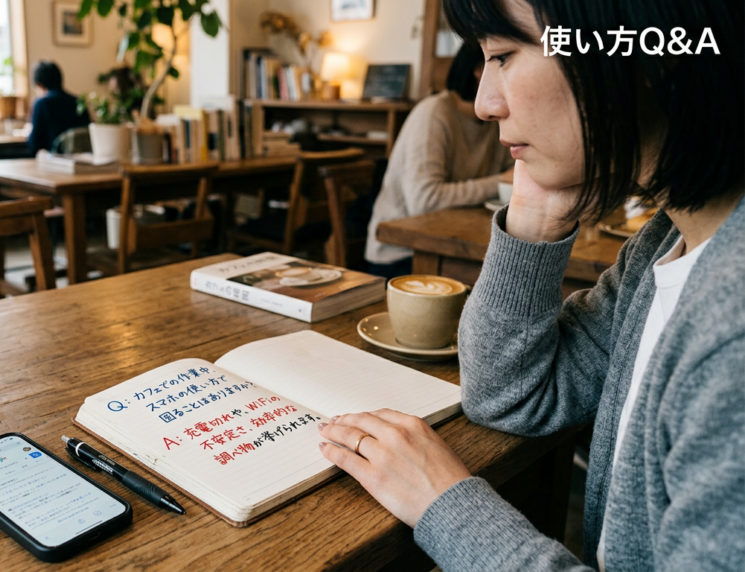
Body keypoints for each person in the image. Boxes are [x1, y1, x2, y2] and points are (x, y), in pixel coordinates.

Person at [318, 0, 743, 569]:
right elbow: (509, 394)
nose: (484, 103)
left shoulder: (732, 331)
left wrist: (443, 502)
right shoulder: (662, 245)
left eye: (503, 55)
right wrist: (535, 215)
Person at [364, 42, 514, 279]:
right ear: (479, 70)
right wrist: (499, 182)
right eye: (507, 62)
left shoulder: (492, 120)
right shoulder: (433, 114)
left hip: (456, 242)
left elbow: (513, 172)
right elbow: (425, 201)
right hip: (402, 254)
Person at [26, 60, 90, 154]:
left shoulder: (41, 104)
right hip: (81, 159)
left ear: (40, 85)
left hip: (54, 159)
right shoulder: (79, 101)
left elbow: (34, 144)